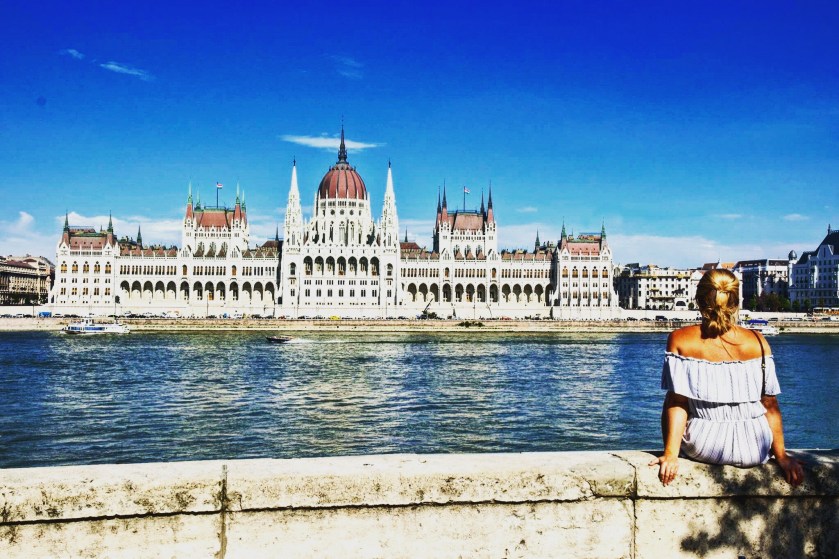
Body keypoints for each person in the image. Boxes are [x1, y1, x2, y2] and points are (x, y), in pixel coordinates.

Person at [650, 268, 804, 486]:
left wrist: (670, 455)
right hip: (754, 447)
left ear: (698, 300)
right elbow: (770, 405)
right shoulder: (758, 341)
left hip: (704, 446)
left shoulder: (680, 339)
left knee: (671, 398)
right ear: (736, 302)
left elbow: (678, 404)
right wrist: (782, 456)